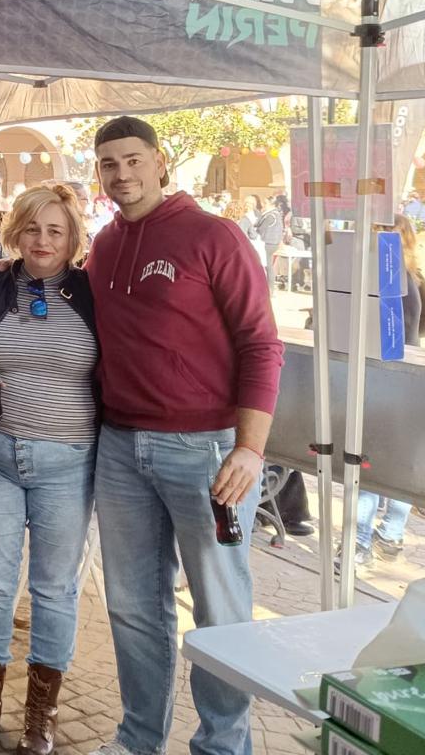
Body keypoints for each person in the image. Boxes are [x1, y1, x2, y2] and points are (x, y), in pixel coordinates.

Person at [86, 116, 282, 755]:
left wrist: (250, 448)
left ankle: (223, 746)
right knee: (134, 610)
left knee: (221, 610)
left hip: (206, 453)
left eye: (133, 159)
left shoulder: (214, 236)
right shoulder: (104, 246)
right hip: (119, 450)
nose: (122, 174)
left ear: (160, 161)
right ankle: (138, 739)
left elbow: (262, 344)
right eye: (109, 163)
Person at [0, 184, 100, 755]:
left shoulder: (91, 291)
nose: (42, 241)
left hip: (69, 463)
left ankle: (42, 714)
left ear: (72, 238)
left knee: (55, 591)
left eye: (55, 231)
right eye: (33, 228)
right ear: (16, 230)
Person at [347, 214, 425, 569]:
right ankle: (391, 531)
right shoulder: (416, 277)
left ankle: (360, 541)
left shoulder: (371, 278)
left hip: (380, 376)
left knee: (372, 460)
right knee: (401, 460)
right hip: (411, 377)